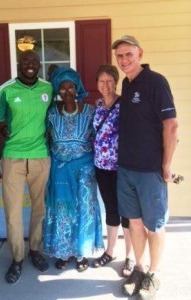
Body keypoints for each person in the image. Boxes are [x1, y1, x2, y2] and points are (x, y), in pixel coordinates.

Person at [112, 35, 178, 299]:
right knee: (135, 223)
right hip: (126, 168)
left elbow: (171, 125)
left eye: (129, 54)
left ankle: (153, 274)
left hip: (150, 170)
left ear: (140, 54)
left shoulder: (156, 82)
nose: (124, 60)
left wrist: (167, 165)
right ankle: (138, 269)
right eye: (120, 56)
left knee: (154, 224)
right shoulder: (127, 86)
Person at [0, 50, 53, 284]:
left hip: (40, 157)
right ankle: (17, 259)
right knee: (13, 214)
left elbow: (56, 116)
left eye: (35, 62)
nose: (31, 65)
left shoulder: (48, 88)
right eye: (26, 61)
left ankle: (35, 250)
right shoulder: (5, 89)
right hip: (12, 158)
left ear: (39, 65)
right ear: (18, 64)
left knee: (39, 209)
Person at [43, 66, 104, 272]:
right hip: (59, 170)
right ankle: (64, 251)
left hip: (84, 172)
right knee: (62, 211)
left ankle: (81, 253)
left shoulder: (89, 112)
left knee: (83, 210)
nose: (67, 91)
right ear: (57, 91)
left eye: (71, 87)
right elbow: (45, 138)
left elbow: (100, 139)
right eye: (62, 88)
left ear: (77, 89)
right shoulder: (51, 113)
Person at [92, 64, 135, 276]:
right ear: (97, 84)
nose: (106, 85)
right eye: (102, 81)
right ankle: (110, 251)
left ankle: (130, 256)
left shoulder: (124, 104)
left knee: (126, 212)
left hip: (121, 168)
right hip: (101, 167)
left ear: (115, 82)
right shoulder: (98, 106)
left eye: (109, 81)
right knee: (110, 209)